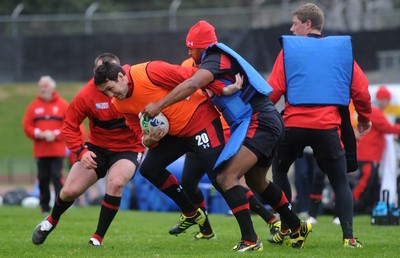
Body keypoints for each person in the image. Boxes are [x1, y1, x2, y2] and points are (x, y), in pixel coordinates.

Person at [141, 20, 311, 252]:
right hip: (264, 121)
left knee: (226, 177)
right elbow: (216, 85)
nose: (189, 52)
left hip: (259, 121)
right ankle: (295, 225)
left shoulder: (214, 57)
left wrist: (159, 105)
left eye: (190, 47)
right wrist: (224, 90)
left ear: (200, 46)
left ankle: (251, 240)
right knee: (256, 181)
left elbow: (192, 84)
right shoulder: (216, 61)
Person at [93, 59, 236, 242]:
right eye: (105, 92)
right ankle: (193, 216)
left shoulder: (150, 71)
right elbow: (139, 132)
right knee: (153, 170)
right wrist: (148, 140)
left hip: (202, 123)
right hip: (178, 135)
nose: (110, 95)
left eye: (110, 88)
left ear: (121, 76)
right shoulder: (119, 103)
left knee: (222, 178)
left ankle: (268, 222)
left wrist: (221, 88)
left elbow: (192, 77)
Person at [268, 3, 372, 248]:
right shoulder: (340, 52)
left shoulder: (288, 51)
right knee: (339, 180)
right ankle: (349, 238)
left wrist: (258, 112)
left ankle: (286, 227)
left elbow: (274, 91)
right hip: (327, 127)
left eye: (295, 24)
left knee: (280, 171)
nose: (291, 30)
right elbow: (361, 90)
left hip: (294, 124)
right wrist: (365, 118)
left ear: (307, 25)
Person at [31, 53, 145, 246]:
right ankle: (51, 221)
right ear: (95, 74)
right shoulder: (86, 95)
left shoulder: (136, 84)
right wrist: (80, 151)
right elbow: (69, 124)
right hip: (98, 147)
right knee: (69, 191)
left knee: (116, 182)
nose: (107, 77)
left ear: (121, 73)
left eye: (112, 72)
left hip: (129, 148)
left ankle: (97, 238)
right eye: (101, 73)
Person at [180, 58, 281, 240]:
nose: (192, 52)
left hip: (219, 132)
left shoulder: (218, 64)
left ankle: (270, 221)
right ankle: (206, 229)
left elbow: (223, 91)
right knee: (188, 182)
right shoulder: (185, 66)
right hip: (194, 131)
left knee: (228, 181)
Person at [23, 75, 69, 214]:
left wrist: (54, 134)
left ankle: (60, 206)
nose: (42, 89)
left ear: (52, 88)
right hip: (41, 150)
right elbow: (27, 126)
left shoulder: (62, 105)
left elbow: (69, 125)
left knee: (57, 177)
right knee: (42, 178)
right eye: (40, 87)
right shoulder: (34, 106)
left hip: (57, 150)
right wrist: (39, 133)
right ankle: (44, 207)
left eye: (45, 86)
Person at [353, 85, 400, 214]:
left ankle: (365, 207)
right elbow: (387, 128)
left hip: (369, 155)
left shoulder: (372, 111)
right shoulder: (376, 112)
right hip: (369, 155)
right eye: (388, 100)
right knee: (365, 182)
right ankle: (352, 206)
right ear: (383, 99)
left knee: (371, 184)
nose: (388, 103)